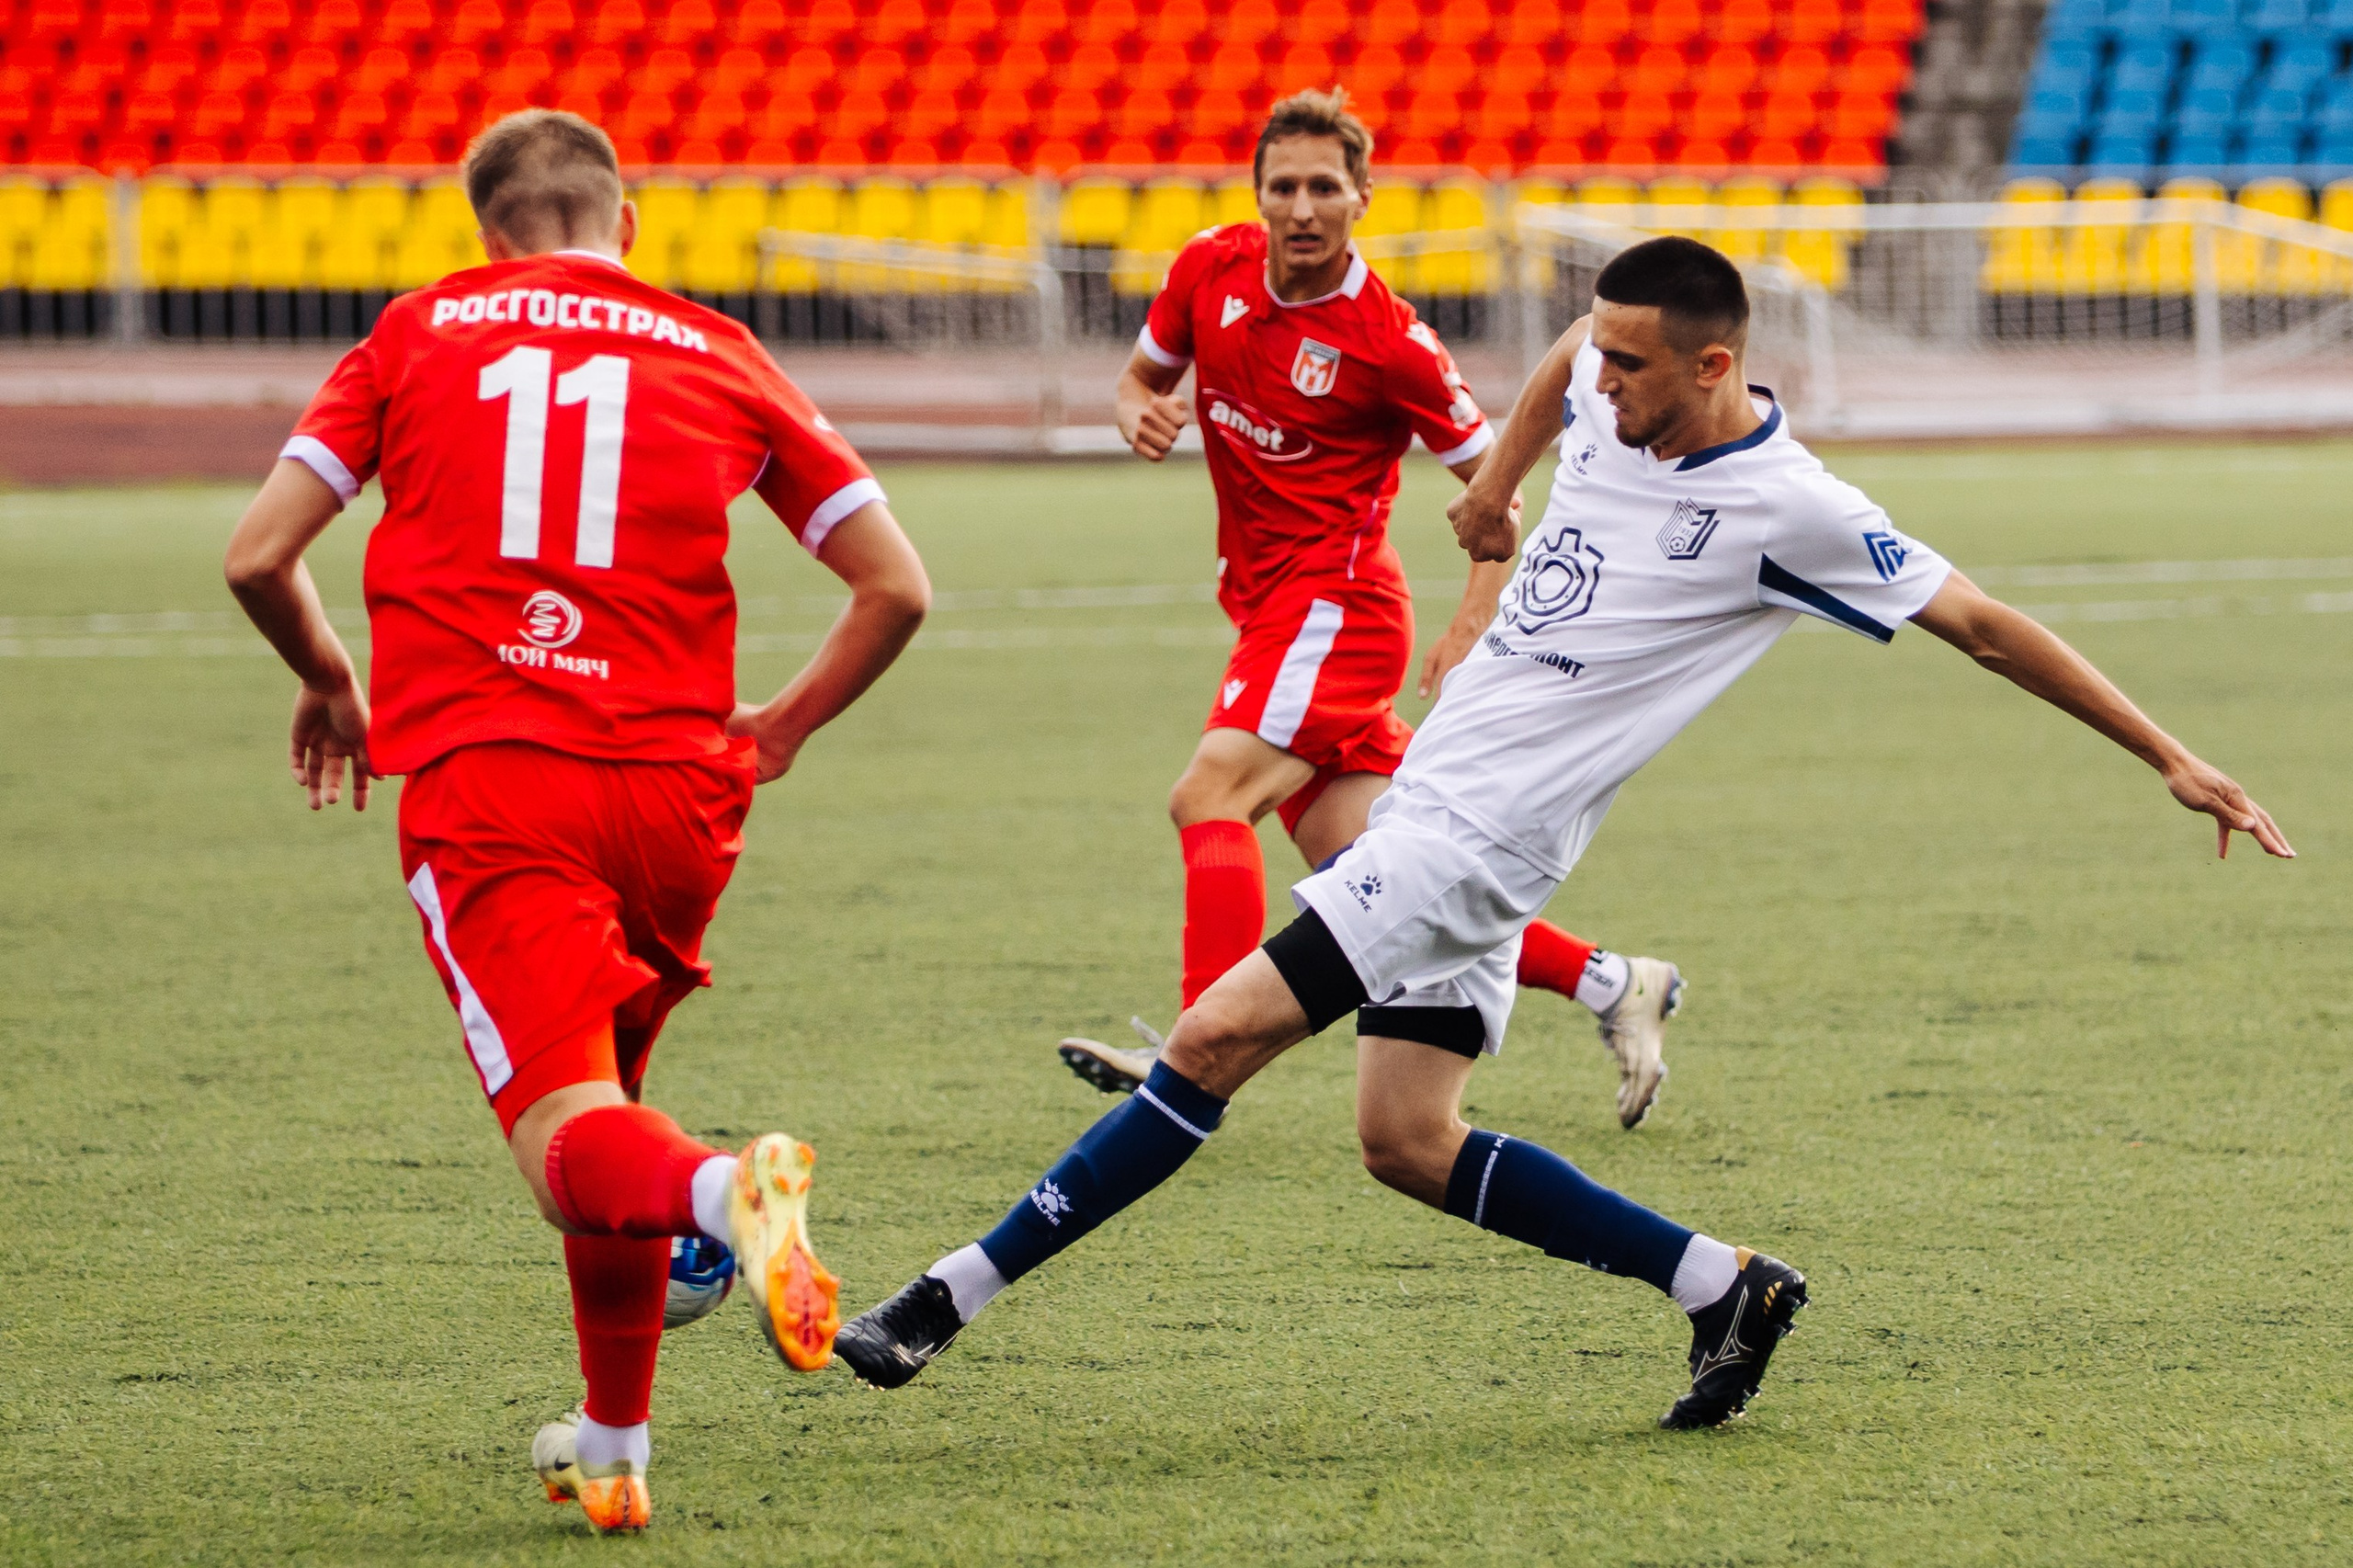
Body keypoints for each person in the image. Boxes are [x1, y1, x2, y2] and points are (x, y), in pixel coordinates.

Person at [835, 235, 2292, 1428]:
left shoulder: (1791, 509)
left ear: (1715, 366)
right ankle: (1725, 1284)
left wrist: (2170, 754)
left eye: (1630, 360)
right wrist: (1492, 480)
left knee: (1208, 1043)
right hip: (1436, 809)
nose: (1598, 378)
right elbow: (1548, 374)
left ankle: (941, 1298)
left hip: (1475, 842)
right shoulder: (1607, 389)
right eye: (1598, 349)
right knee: (1406, 1140)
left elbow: (1977, 623)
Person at [222, 111, 930, 1532]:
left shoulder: (418, 332)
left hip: (497, 780)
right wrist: (777, 731)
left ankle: (734, 1193)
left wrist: (327, 676)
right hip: (679, 795)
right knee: (603, 1111)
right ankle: (612, 1446)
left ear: (486, 233)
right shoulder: (715, 347)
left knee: (568, 1139)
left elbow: (255, 554)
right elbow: (896, 586)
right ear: (629, 220)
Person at [1061, 88, 1684, 1132]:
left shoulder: (1389, 339)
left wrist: (1473, 617)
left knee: (1208, 794)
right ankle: (1614, 980)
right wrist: (1142, 412)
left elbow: (1497, 483)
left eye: (1323, 187)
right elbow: (1136, 378)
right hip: (1263, 604)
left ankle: (1187, 1053)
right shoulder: (1205, 269)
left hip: (1336, 606)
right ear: (1256, 194)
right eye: (1283, 186)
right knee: (1378, 869)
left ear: (1360, 198)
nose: (1301, 206)